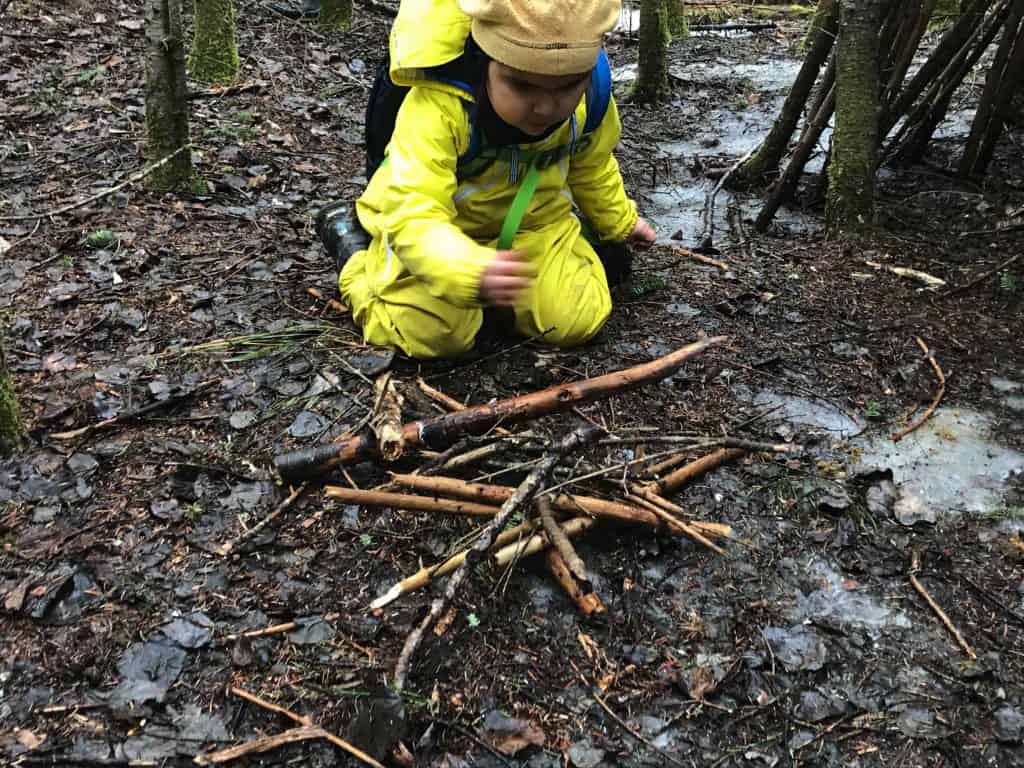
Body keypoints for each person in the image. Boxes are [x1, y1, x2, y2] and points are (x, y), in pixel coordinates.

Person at [326, 0, 655, 359]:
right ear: (486, 62)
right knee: (431, 335)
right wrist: (463, 268)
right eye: (522, 86)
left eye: (567, 87)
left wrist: (620, 221)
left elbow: (593, 166)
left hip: (534, 227)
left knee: (578, 318)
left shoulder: (590, 101)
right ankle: (355, 256)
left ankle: (497, 303)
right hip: (442, 237)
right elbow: (414, 212)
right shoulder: (441, 108)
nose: (545, 108)